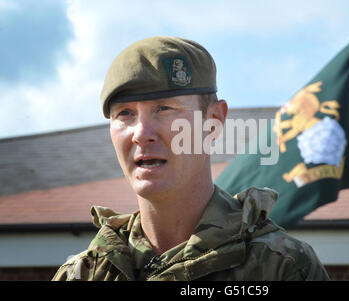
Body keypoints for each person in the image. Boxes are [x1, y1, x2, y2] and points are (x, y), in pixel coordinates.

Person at [52, 36, 330, 281]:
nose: (141, 134)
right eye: (125, 113)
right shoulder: (83, 274)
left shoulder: (280, 267)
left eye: (164, 109)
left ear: (214, 121)